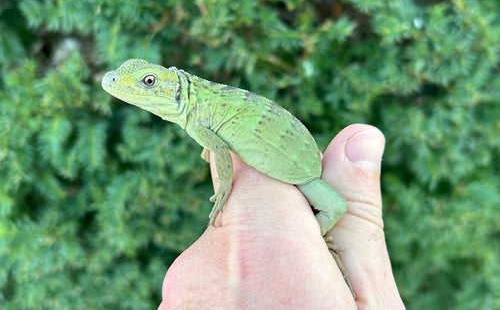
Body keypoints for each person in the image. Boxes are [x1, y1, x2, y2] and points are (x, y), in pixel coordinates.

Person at [158, 124, 406, 309]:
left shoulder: (201, 121)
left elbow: (220, 147)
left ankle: (318, 242)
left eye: (149, 82)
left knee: (336, 206)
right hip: (299, 174)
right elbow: (219, 145)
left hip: (305, 173)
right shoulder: (201, 122)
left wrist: (226, 184)